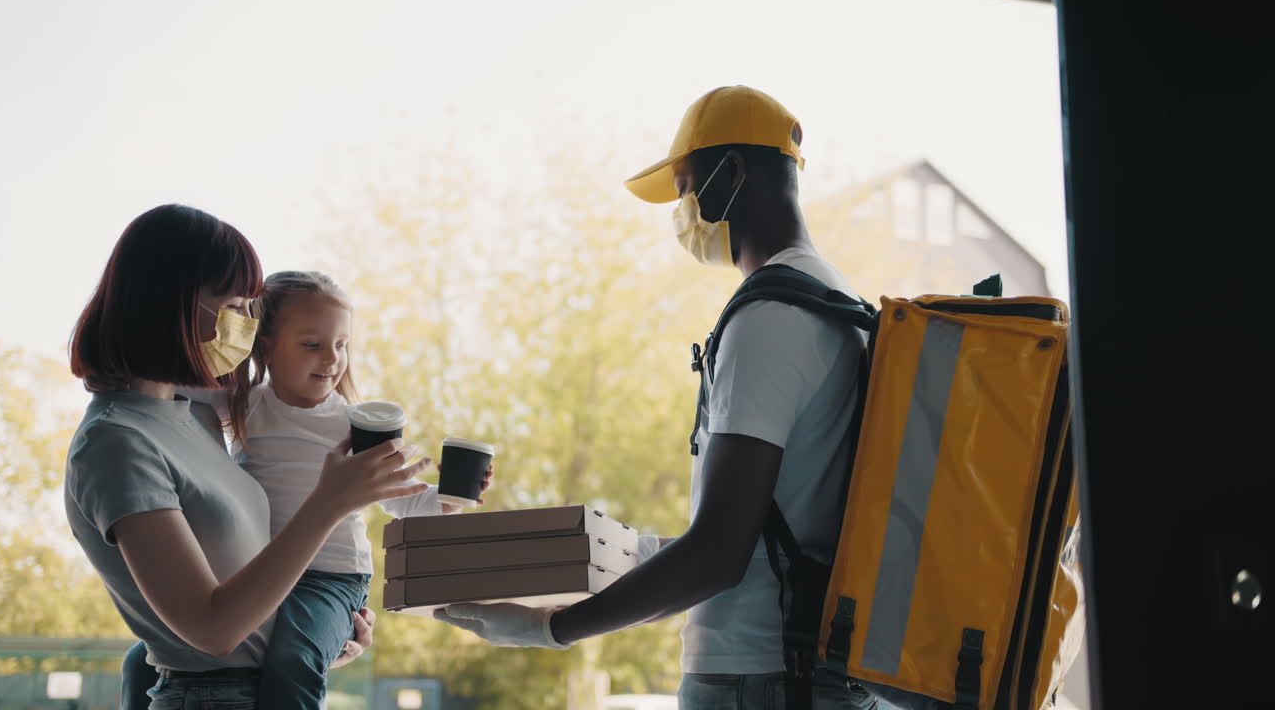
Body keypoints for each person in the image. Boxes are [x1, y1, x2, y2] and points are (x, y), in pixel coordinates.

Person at [434, 86, 879, 709]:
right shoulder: (837, 300)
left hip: (759, 679)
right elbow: (766, 534)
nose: (682, 208)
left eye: (685, 186)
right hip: (805, 668)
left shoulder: (770, 318)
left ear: (734, 173)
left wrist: (550, 629)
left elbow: (719, 557)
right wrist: (632, 553)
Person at [65, 204, 429, 709]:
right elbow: (213, 630)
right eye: (235, 306)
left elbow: (246, 591)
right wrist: (329, 503)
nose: (247, 328)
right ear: (173, 302)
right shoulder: (116, 443)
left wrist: (318, 639)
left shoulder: (193, 417)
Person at [119, 269, 496, 709]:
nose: (332, 359)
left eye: (341, 345)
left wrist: (452, 497)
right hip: (261, 575)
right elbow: (176, 384)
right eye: (312, 345)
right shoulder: (245, 404)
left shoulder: (358, 428)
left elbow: (408, 503)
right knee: (143, 658)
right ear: (265, 346)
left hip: (331, 578)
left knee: (294, 658)